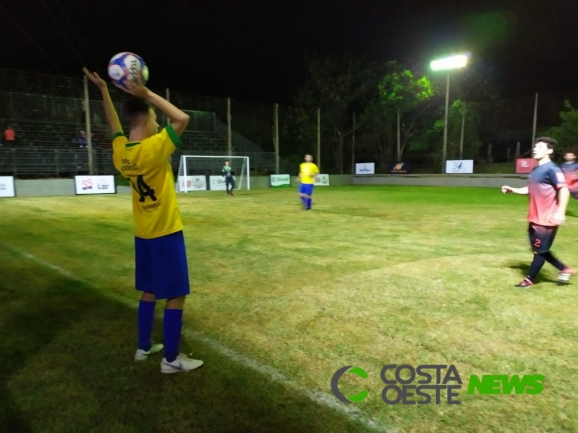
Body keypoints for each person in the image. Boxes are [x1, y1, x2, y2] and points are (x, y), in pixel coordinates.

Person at [83, 67, 203, 373]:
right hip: (165, 232)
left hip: (143, 235)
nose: (158, 123)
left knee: (149, 290)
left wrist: (104, 91)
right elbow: (183, 119)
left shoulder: (121, 153)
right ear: (147, 121)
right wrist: (146, 93)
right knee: (176, 295)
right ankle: (172, 360)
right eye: (154, 118)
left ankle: (143, 346)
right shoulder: (154, 148)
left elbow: (114, 127)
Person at [502, 137, 574, 287]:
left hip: (546, 219)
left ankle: (529, 280)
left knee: (539, 251)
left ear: (549, 151)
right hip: (535, 217)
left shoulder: (552, 169)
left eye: (540, 147)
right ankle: (565, 269)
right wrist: (512, 190)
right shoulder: (536, 169)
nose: (535, 149)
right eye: (535, 146)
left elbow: (564, 190)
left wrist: (560, 212)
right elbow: (530, 189)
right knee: (539, 249)